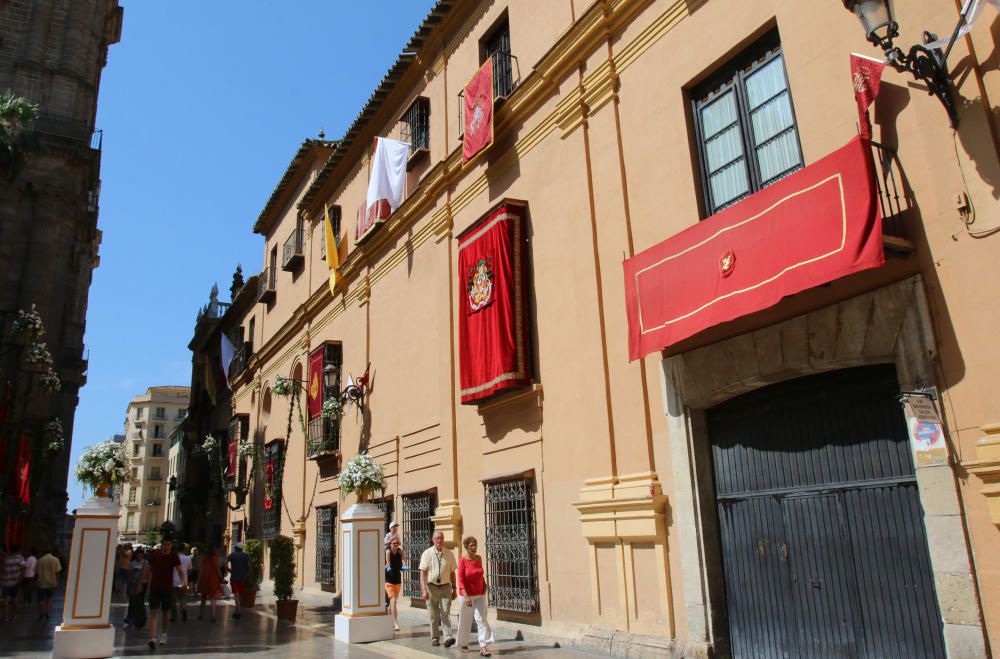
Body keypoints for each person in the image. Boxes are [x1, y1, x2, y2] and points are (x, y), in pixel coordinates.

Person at [457, 536, 494, 656]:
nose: (474, 548)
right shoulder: (462, 560)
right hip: (466, 595)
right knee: (465, 620)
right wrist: (466, 596)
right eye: (472, 545)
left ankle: (483, 646)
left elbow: (480, 574)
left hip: (480, 593)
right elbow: (460, 580)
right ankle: (463, 643)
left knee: (481, 619)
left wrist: (484, 585)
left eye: (475, 545)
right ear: (467, 547)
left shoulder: (479, 558)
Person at [419, 530, 457, 648]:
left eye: (441, 538)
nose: (439, 540)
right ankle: (435, 637)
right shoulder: (427, 553)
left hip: (446, 587)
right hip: (431, 587)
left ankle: (448, 637)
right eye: (437, 538)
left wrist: (455, 589)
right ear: (433, 540)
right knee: (433, 614)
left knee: (445, 612)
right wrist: (424, 590)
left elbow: (452, 573)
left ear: (443, 539)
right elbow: (422, 573)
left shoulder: (449, 554)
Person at [146, 536, 183, 649]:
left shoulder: (174, 557)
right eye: (164, 544)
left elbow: (180, 570)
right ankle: (152, 638)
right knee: (154, 612)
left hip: (167, 588)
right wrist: (143, 581)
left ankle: (164, 634)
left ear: (171, 545)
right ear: (162, 544)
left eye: (168, 544)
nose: (166, 546)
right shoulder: (155, 555)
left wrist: (183, 581)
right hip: (155, 587)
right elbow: (147, 569)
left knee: (166, 612)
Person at [124, 548, 150, 630]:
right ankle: (131, 620)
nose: (138, 557)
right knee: (132, 602)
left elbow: (148, 575)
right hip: (133, 585)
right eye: (137, 556)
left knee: (140, 603)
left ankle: (140, 620)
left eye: (140, 555)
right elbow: (129, 575)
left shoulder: (146, 563)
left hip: (143, 584)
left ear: (142, 555)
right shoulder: (132, 563)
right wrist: (133, 572)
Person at [34, 547, 62, 621]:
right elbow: (58, 572)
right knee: (50, 598)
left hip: (41, 582)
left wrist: (35, 581)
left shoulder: (39, 560)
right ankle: (47, 611)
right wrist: (57, 581)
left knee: (40, 599)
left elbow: (36, 573)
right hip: (51, 582)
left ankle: (41, 613)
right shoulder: (55, 560)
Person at [225, 541, 251, 619]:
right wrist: (248, 575)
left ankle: (238, 610)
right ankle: (237, 610)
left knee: (236, 594)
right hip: (243, 577)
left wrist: (229, 570)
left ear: (236, 548)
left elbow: (225, 563)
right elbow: (249, 566)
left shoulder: (232, 555)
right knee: (240, 594)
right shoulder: (246, 556)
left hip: (234, 577)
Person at [198, 545, 223, 622]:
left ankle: (201, 614)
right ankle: (213, 616)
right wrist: (221, 578)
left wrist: (199, 579)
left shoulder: (204, 558)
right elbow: (217, 568)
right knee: (213, 598)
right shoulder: (215, 557)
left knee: (203, 598)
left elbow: (201, 569)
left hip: (204, 578)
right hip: (213, 579)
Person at [1, 544, 25, 623]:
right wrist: (20, 578)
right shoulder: (20, 558)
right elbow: (23, 568)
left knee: (6, 599)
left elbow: (2, 568)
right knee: (15, 599)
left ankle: (5, 617)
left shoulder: (6, 559)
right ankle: (14, 615)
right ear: (18, 550)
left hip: (6, 581)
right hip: (15, 581)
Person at [385, 537, 404, 631]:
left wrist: (404, 564)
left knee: (392, 602)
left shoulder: (400, 552)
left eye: (397, 543)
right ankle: (395, 622)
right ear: (390, 544)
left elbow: (404, 562)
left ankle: (388, 621)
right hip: (389, 580)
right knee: (393, 601)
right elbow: (387, 563)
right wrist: (387, 566)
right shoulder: (388, 552)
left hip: (397, 580)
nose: (396, 545)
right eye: (393, 543)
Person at [171, 544, 192, 623]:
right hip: (184, 582)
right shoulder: (187, 558)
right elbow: (190, 570)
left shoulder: (173, 558)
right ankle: (183, 609)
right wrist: (186, 576)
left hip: (173, 582)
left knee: (173, 600)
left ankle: (174, 616)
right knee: (182, 598)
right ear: (184, 550)